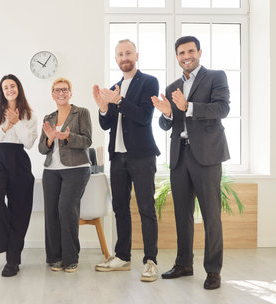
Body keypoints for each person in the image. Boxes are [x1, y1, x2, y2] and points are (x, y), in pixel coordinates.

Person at [151, 36, 230, 290]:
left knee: (211, 216)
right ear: (177, 57)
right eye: (181, 53)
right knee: (181, 214)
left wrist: (190, 107)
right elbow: (167, 124)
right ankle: (184, 263)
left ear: (199, 52)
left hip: (206, 156)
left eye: (190, 51)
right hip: (179, 156)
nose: (187, 56)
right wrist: (165, 112)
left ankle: (213, 270)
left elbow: (222, 109)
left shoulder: (216, 77)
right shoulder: (174, 84)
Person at [92, 39, 160, 282]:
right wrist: (103, 107)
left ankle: (150, 261)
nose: (124, 57)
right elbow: (107, 124)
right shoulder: (114, 87)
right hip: (117, 157)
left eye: (128, 52)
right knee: (120, 208)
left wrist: (118, 101)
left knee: (145, 208)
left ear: (136, 55)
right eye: (120, 54)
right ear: (116, 59)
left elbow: (143, 117)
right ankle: (122, 256)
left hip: (142, 155)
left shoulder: (149, 82)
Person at [0, 74, 38, 277]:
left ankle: (12, 260)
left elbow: (29, 143)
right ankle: (4, 240)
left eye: (12, 86)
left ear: (18, 88)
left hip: (20, 159)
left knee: (20, 210)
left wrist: (18, 123)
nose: (9, 90)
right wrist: (6, 125)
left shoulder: (30, 114)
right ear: (2, 91)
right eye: (5, 87)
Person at [38, 77, 92, 273]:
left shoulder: (81, 113)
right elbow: (42, 148)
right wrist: (51, 140)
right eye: (57, 90)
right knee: (51, 212)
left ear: (70, 93)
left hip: (77, 168)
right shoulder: (48, 118)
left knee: (66, 207)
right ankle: (55, 257)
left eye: (65, 90)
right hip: (51, 170)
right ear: (52, 94)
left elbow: (87, 140)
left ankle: (70, 258)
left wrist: (68, 136)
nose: (61, 93)